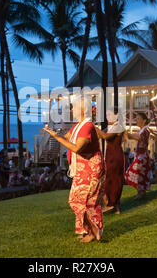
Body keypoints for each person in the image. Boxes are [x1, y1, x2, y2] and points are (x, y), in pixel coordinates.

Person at [44, 97, 105, 243]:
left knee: (85, 201)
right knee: (77, 200)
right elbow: (67, 138)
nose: (72, 110)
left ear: (82, 109)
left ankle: (94, 230)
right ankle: (90, 229)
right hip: (82, 168)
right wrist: (55, 135)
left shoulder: (88, 126)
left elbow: (77, 147)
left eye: (74, 107)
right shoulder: (78, 126)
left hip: (91, 168)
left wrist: (56, 138)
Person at [95, 110, 125, 214]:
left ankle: (112, 203)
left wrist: (94, 128)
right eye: (106, 114)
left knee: (113, 179)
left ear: (116, 115)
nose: (107, 117)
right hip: (110, 154)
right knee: (110, 178)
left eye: (109, 114)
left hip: (115, 155)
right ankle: (114, 205)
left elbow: (105, 136)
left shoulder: (118, 126)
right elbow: (100, 135)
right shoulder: (111, 127)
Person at [125, 112, 151, 200]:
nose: (136, 120)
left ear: (144, 121)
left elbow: (137, 137)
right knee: (138, 174)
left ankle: (141, 193)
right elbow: (133, 136)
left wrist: (126, 133)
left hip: (142, 156)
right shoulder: (142, 130)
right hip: (141, 155)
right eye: (136, 118)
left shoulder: (145, 130)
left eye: (138, 118)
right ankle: (140, 192)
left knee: (140, 174)